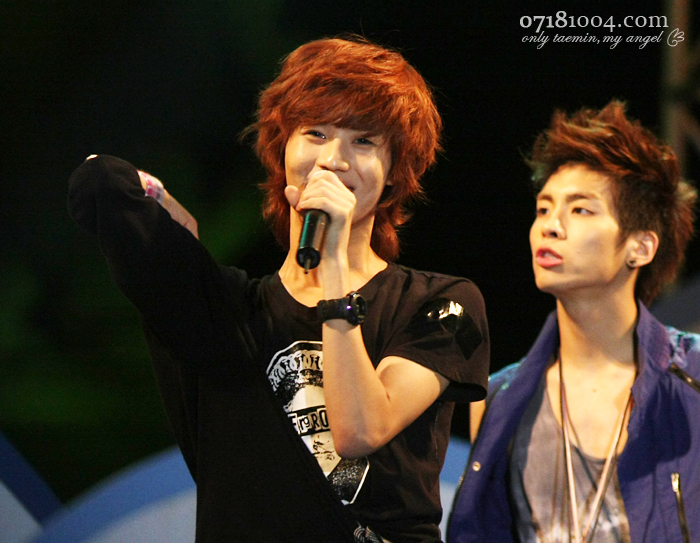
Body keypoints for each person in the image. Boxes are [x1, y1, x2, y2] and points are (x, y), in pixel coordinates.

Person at [68, 37, 490, 543]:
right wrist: (158, 202)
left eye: (363, 141)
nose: (333, 160)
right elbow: (99, 181)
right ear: (281, 150)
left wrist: (333, 265)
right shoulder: (226, 312)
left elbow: (359, 431)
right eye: (316, 133)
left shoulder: (440, 303)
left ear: (395, 175)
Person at [448, 100, 700, 543]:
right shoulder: (498, 399)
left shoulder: (693, 376)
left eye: (581, 210)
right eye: (544, 209)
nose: (550, 226)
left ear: (640, 247)